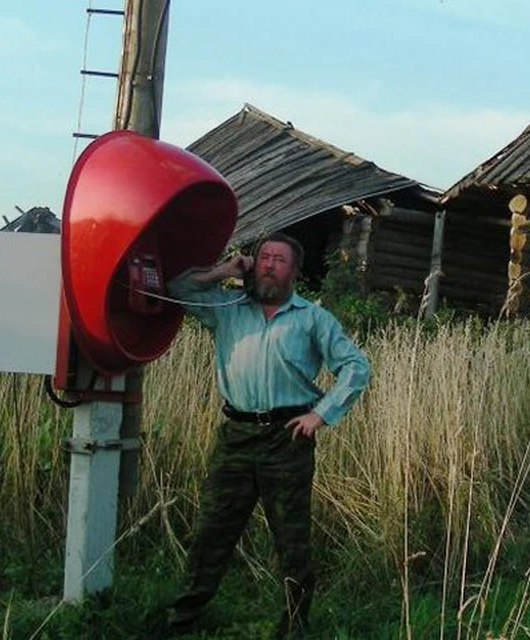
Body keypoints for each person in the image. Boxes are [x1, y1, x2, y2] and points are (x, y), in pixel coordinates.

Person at [155, 232, 370, 638]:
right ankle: (180, 623)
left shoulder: (312, 318)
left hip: (287, 440)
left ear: (295, 272)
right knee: (212, 532)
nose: (270, 265)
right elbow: (176, 287)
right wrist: (224, 270)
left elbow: (356, 367)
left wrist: (320, 415)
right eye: (264, 257)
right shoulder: (227, 308)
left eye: (280, 260)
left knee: (291, 540)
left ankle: (293, 625)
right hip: (236, 436)